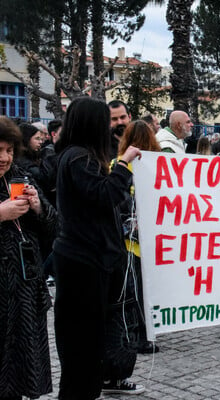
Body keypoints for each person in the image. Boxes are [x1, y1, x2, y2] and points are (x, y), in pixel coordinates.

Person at [53, 97, 144, 399]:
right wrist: (124, 163)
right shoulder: (80, 158)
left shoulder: (78, 155)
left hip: (87, 259)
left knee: (89, 344)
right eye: (105, 119)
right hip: (84, 263)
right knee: (83, 344)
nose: (110, 126)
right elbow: (105, 195)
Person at [0, 116, 56, 400]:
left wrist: (38, 208)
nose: (4, 158)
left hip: (25, 290)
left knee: (22, 372)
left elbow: (55, 228)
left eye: (9, 150)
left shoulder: (21, 178)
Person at [111, 120, 161, 356]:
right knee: (144, 291)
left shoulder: (117, 164)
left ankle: (136, 335)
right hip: (148, 242)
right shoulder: (157, 166)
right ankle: (142, 335)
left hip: (129, 242)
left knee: (135, 292)